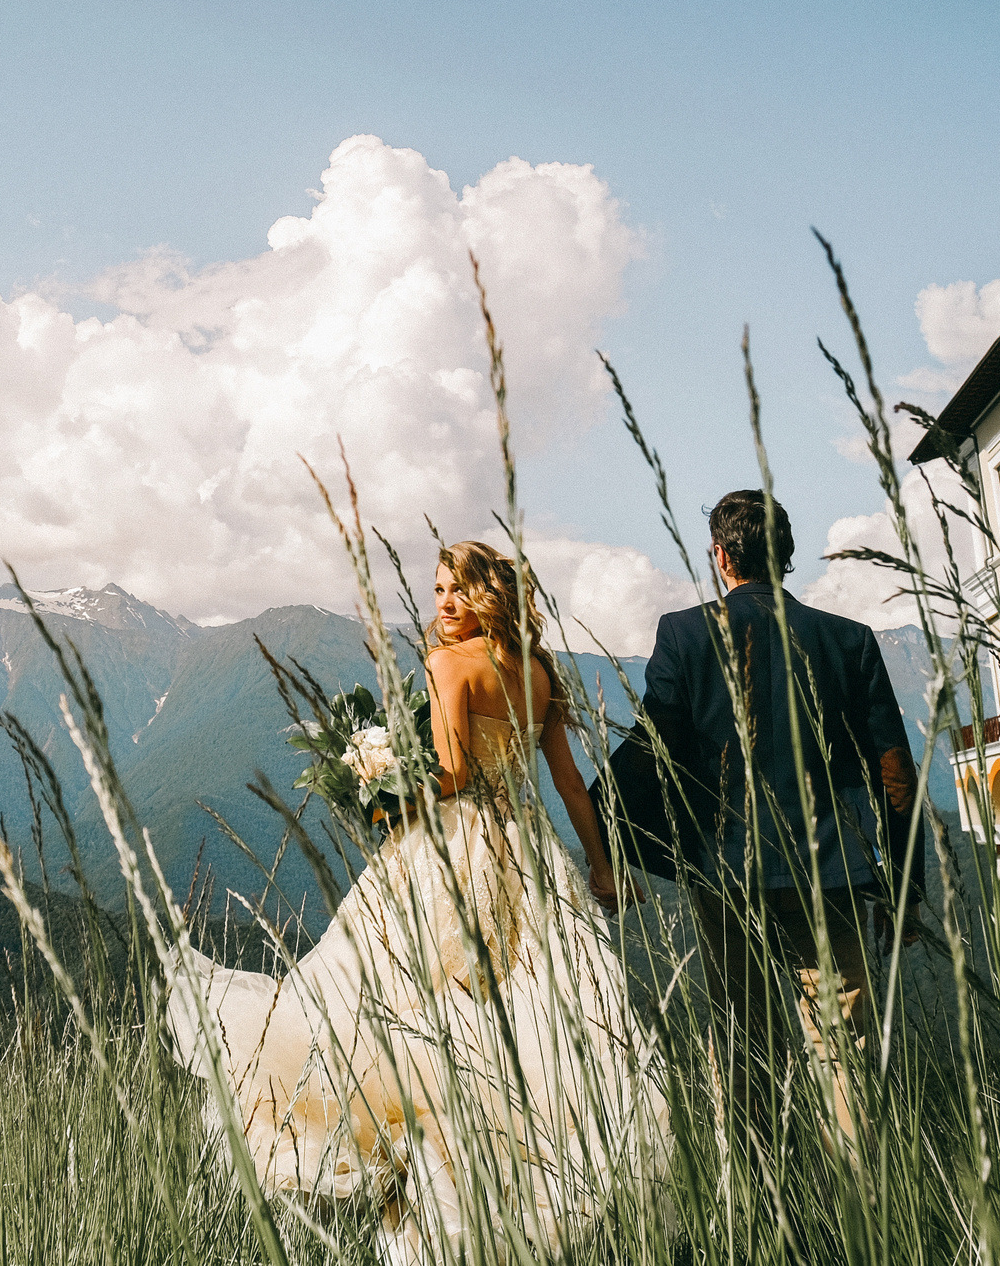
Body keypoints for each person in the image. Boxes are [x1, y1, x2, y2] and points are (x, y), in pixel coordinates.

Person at [169, 541, 665, 1263]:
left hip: (448, 852)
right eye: (437, 590)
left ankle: (427, 1216)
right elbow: (566, 783)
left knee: (402, 1015)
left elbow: (455, 771)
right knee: (521, 1020)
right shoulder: (539, 672)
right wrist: (600, 865)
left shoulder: (445, 664)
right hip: (527, 854)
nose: (442, 604)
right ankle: (500, 1199)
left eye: (456, 591)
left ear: (486, 594)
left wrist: (377, 787)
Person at [639, 489, 919, 1125]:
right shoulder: (849, 641)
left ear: (719, 557)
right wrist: (902, 889)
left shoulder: (683, 635)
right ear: (787, 555)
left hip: (725, 870)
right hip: (833, 873)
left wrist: (627, 848)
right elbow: (896, 773)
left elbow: (656, 752)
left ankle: (760, 1206)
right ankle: (865, 1206)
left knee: (742, 1043)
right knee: (844, 1047)